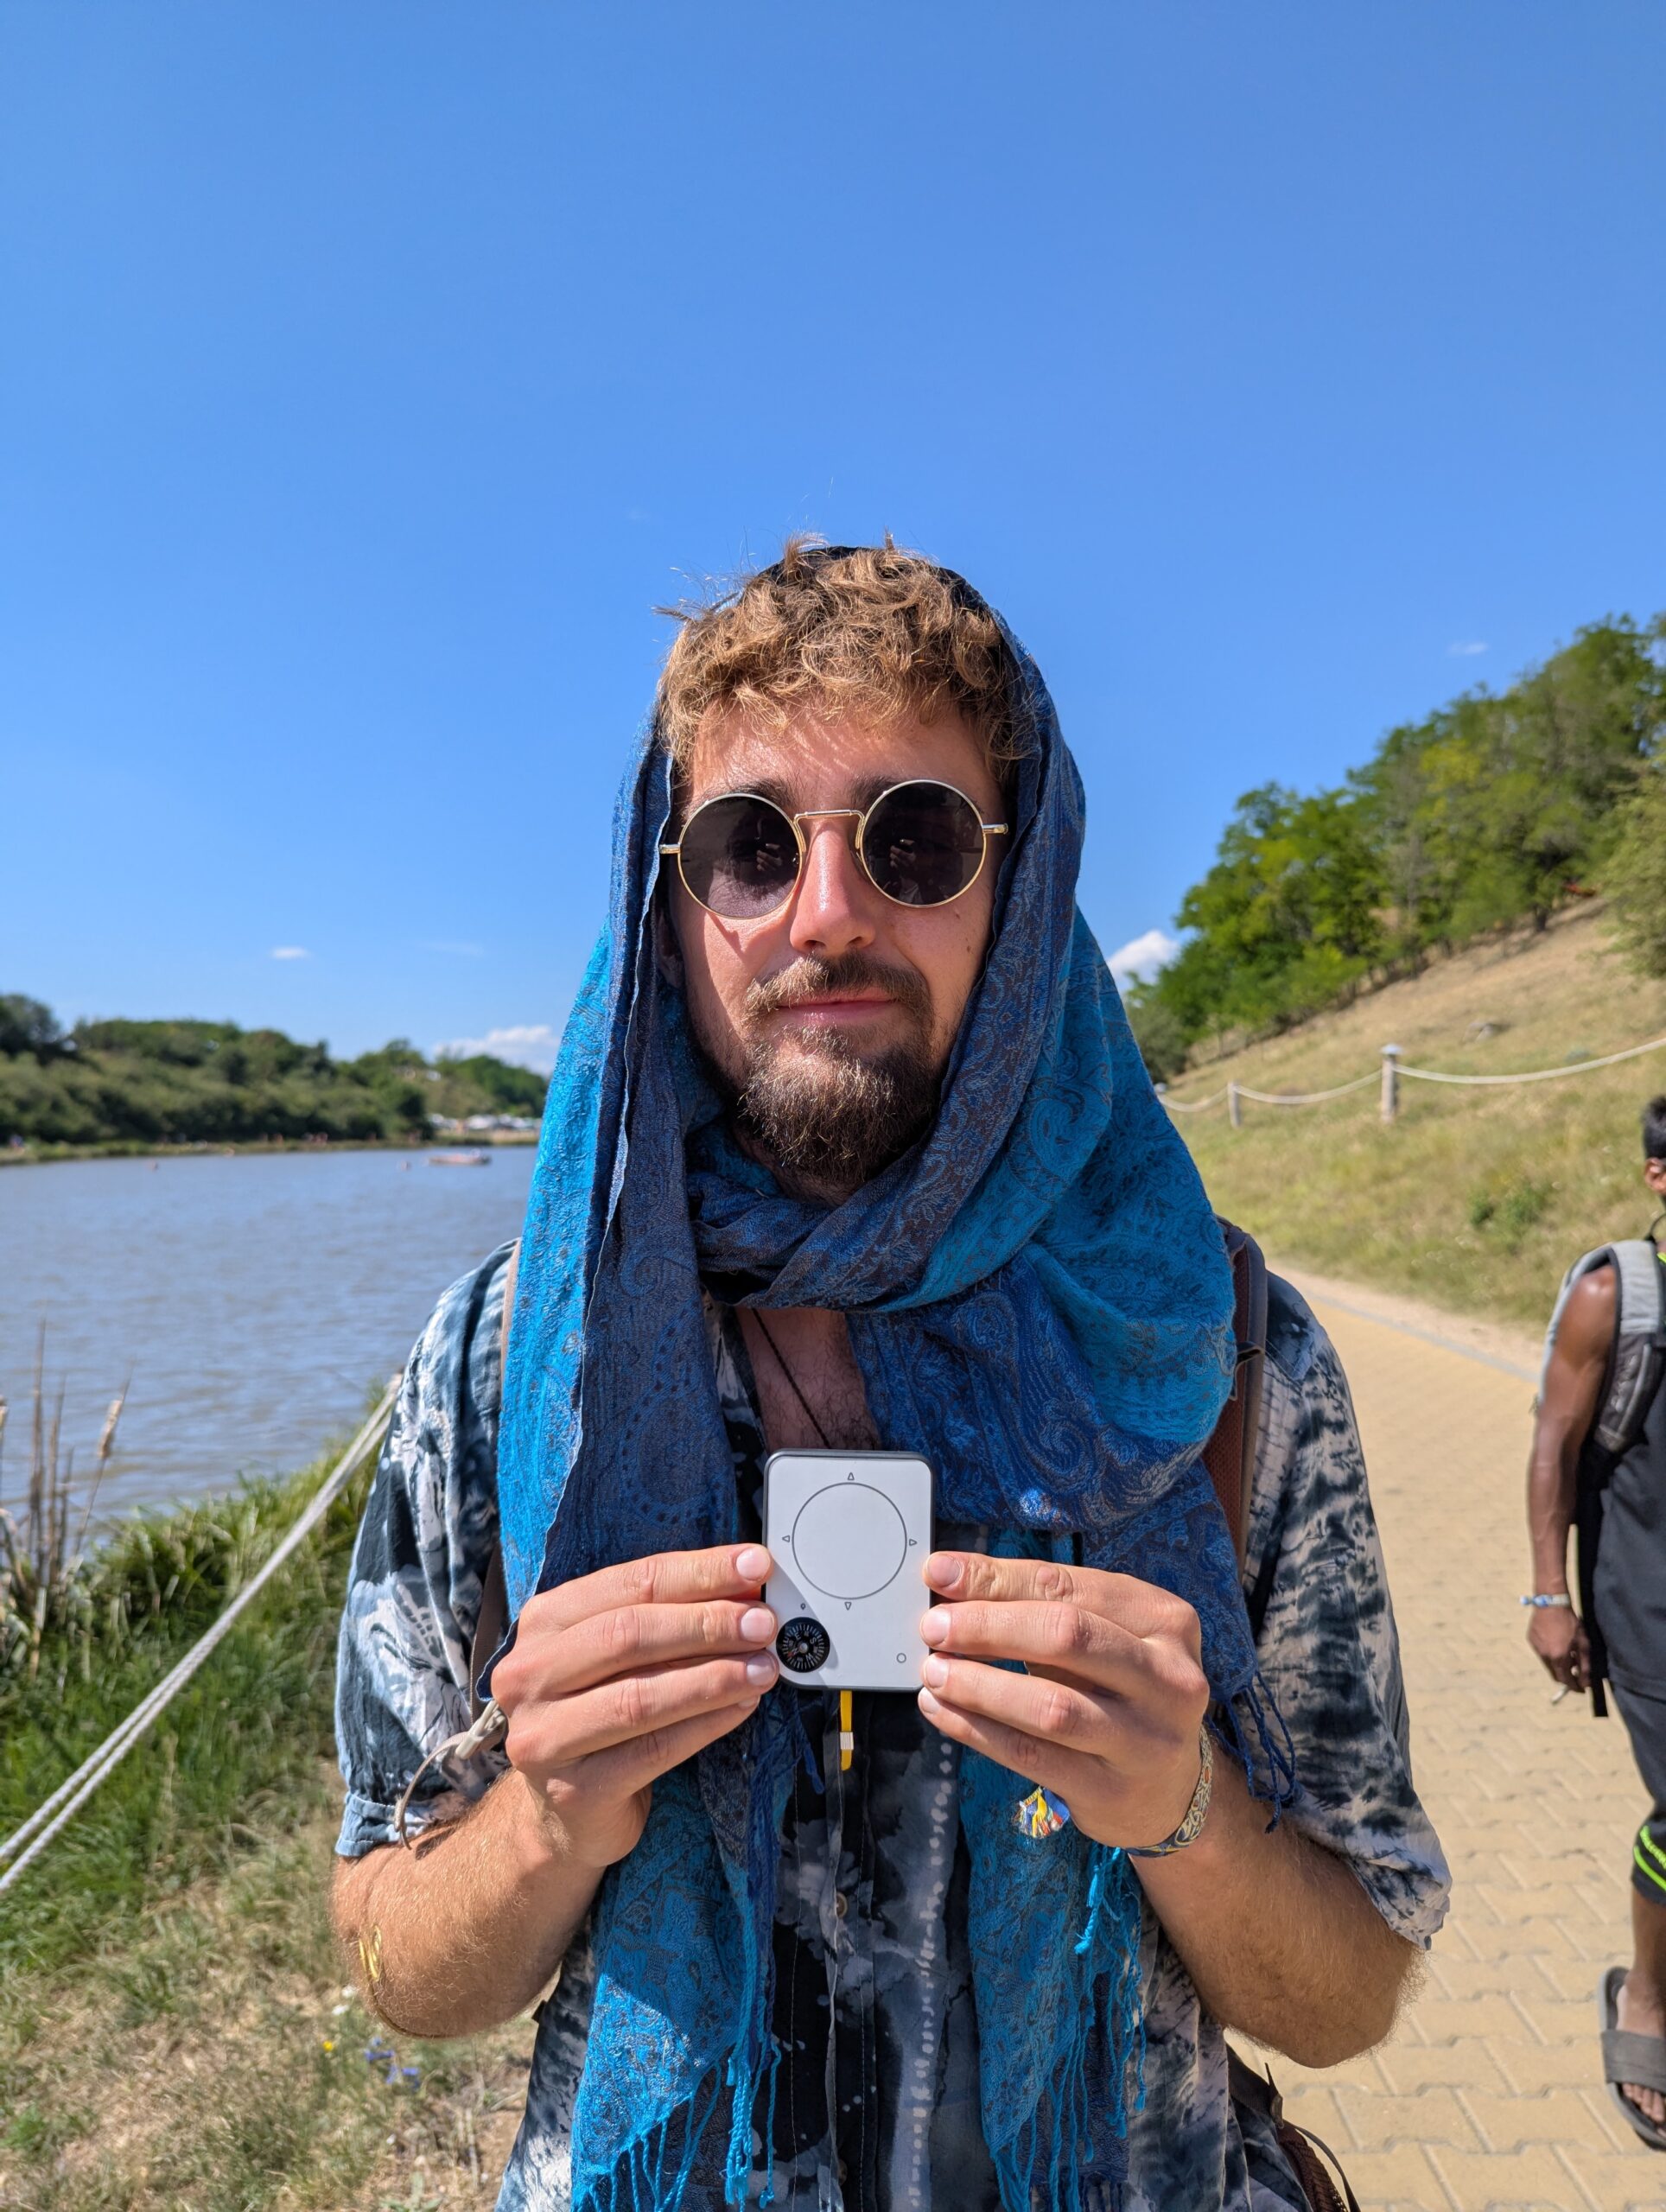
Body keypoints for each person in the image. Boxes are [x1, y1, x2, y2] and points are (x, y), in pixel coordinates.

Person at [332, 542, 1447, 2212]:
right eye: (749, 845)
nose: (828, 911)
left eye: (913, 838)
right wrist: (543, 1821)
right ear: (668, 894)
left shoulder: (1216, 1355)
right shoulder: (502, 1371)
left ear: (1020, 883)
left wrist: (1187, 1806)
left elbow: (1347, 1998)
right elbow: (402, 1968)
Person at [1526, 1093, 1666, 2148]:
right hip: (1646, 1601)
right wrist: (1547, 1596)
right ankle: (1645, 2004)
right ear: (1657, 1177)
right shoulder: (1614, 1298)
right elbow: (1553, 1446)